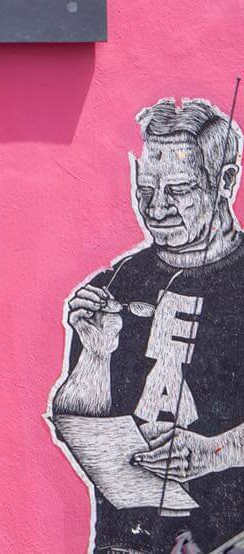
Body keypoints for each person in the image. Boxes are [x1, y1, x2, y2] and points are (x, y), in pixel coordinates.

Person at [52, 98, 244, 554]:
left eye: (177, 190)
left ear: (225, 182)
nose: (156, 209)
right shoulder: (115, 283)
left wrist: (213, 452)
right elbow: (77, 422)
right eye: (145, 191)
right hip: (127, 542)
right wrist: (96, 354)